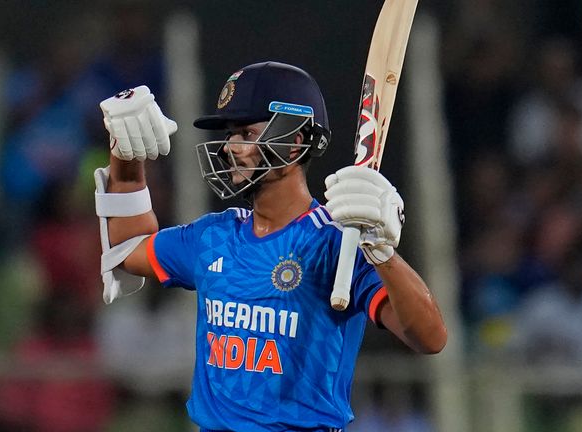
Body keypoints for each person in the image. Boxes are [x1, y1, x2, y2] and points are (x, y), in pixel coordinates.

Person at [93, 61, 446, 431]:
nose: (230, 147)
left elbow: (429, 337)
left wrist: (382, 252)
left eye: (245, 133)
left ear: (294, 141)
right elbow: (128, 246)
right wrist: (125, 157)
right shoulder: (214, 236)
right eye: (230, 134)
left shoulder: (338, 242)